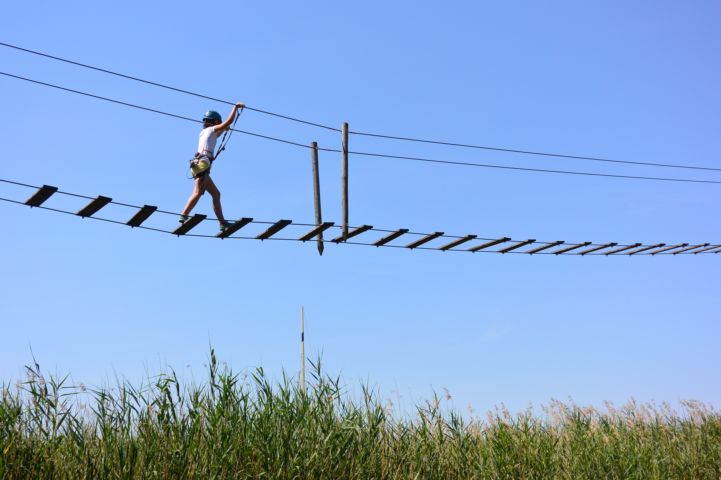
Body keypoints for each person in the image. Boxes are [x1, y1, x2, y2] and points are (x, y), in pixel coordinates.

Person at [179, 102, 244, 231]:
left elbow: (220, 130)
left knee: (216, 194)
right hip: (202, 164)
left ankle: (222, 223)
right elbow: (227, 122)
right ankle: (184, 214)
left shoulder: (205, 132)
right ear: (215, 121)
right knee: (197, 192)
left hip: (200, 164)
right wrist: (235, 108)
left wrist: (225, 128)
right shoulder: (210, 130)